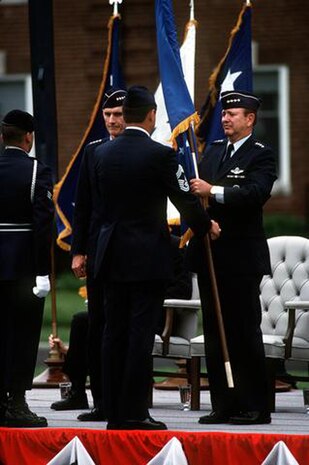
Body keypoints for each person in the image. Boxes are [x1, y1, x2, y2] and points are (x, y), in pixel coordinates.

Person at [93, 85, 220, 430]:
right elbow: (184, 200)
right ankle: (135, 412)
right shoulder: (161, 156)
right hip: (145, 255)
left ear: (126, 115)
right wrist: (205, 224)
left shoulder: (101, 155)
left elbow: (98, 207)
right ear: (151, 115)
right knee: (139, 333)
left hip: (110, 253)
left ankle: (112, 410)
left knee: (112, 332)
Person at [189, 90, 277, 425]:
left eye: (233, 114)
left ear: (250, 119)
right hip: (211, 256)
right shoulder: (211, 153)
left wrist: (214, 192)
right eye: (224, 115)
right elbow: (193, 196)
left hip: (241, 257)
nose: (225, 119)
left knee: (243, 330)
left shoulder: (261, 155)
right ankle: (224, 403)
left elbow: (255, 195)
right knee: (215, 330)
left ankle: (255, 405)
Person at [70, 87, 127, 421]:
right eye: (107, 115)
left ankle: (128, 398)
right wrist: (78, 251)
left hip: (129, 252)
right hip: (97, 251)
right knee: (97, 326)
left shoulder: (143, 149)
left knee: (123, 326)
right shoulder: (93, 152)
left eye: (117, 114)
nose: (111, 121)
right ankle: (100, 400)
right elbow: (83, 206)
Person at [0, 109, 54, 427]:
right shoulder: (37, 172)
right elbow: (42, 225)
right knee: (23, 333)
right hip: (23, 266)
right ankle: (17, 403)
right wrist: (43, 271)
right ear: (29, 138)